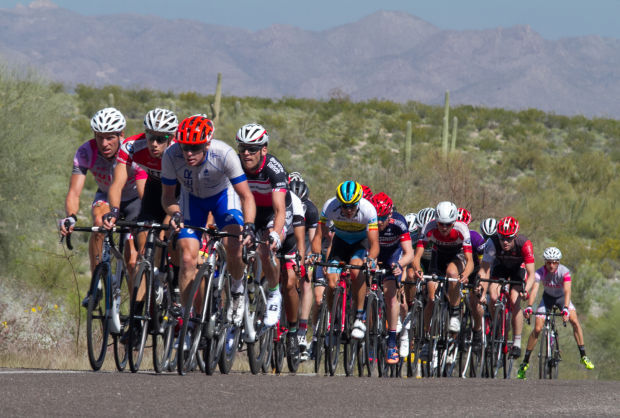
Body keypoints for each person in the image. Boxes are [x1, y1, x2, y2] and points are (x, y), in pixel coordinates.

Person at [161, 116, 256, 327]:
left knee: (233, 244)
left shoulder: (224, 154)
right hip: (191, 201)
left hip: (223, 198)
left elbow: (246, 196)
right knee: (187, 259)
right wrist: (175, 212)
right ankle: (187, 321)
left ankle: (237, 290)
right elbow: (167, 197)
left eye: (194, 148)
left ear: (207, 143)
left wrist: (248, 225)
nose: (188, 153)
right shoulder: (171, 155)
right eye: (185, 147)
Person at [59, 107, 146, 307]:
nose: (104, 144)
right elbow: (74, 192)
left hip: (134, 200)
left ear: (121, 135)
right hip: (106, 197)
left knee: (132, 260)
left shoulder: (133, 151)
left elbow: (143, 187)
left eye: (110, 138)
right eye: (99, 138)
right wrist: (71, 217)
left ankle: (136, 315)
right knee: (98, 222)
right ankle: (96, 284)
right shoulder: (86, 151)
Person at [235, 122, 305, 356]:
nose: (246, 153)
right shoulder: (235, 164)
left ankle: (274, 293)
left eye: (252, 149)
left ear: (263, 150)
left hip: (272, 214)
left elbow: (280, 211)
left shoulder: (274, 169)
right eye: (243, 148)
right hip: (248, 209)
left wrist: (275, 233)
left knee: (266, 249)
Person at [103, 108, 179, 307]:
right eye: (150, 136)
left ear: (171, 138)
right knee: (144, 246)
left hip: (181, 193)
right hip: (155, 190)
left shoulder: (180, 151)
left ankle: (173, 284)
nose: (154, 143)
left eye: (161, 139)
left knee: (167, 235)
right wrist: (113, 211)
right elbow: (117, 183)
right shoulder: (131, 146)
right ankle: (138, 316)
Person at [310, 181, 379, 340]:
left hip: (359, 245)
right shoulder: (330, 206)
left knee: (356, 270)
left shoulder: (368, 209)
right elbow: (319, 236)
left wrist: (370, 259)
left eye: (352, 206)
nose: (348, 210)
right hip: (340, 243)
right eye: (344, 206)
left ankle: (359, 317)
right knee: (332, 283)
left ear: (358, 202)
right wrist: (315, 253)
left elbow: (374, 244)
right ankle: (334, 320)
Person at [517, 247, 595, 378]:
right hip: (547, 299)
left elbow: (567, 291)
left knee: (574, 321)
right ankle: (525, 363)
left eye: (554, 262)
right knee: (537, 329)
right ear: (545, 262)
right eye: (548, 262)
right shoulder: (540, 272)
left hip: (562, 299)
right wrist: (530, 306)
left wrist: (565, 308)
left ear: (558, 262)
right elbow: (535, 290)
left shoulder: (565, 272)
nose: (551, 265)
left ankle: (583, 355)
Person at [413, 201, 474, 356]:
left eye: (448, 224)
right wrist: (418, 269)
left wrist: (465, 274)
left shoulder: (462, 229)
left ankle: (454, 313)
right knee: (432, 298)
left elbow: (470, 260)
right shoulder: (429, 227)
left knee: (452, 273)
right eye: (441, 224)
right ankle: (427, 338)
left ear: (454, 222)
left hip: (456, 256)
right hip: (438, 256)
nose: (444, 228)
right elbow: (417, 256)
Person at [475, 216, 535, 359]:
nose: (505, 242)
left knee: (515, 300)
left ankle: (517, 342)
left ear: (515, 236)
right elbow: (484, 270)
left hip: (517, 270)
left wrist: (526, 290)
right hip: (500, 267)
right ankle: (496, 326)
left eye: (509, 238)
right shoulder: (492, 242)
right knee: (493, 295)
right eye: (502, 238)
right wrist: (480, 286)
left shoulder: (524, 244)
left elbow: (531, 274)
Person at [370, 192, 414, 364]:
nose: (379, 222)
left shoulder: (398, 223)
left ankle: (391, 343)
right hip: (374, 255)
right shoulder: (369, 221)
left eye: (382, 218)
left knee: (390, 296)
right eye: (376, 217)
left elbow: (409, 253)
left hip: (392, 258)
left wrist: (399, 265)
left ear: (389, 214)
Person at [289, 178, 319, 360]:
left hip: (304, 246)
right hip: (288, 242)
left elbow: (313, 239)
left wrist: (309, 257)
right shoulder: (283, 201)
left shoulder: (311, 210)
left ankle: (302, 328)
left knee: (307, 281)